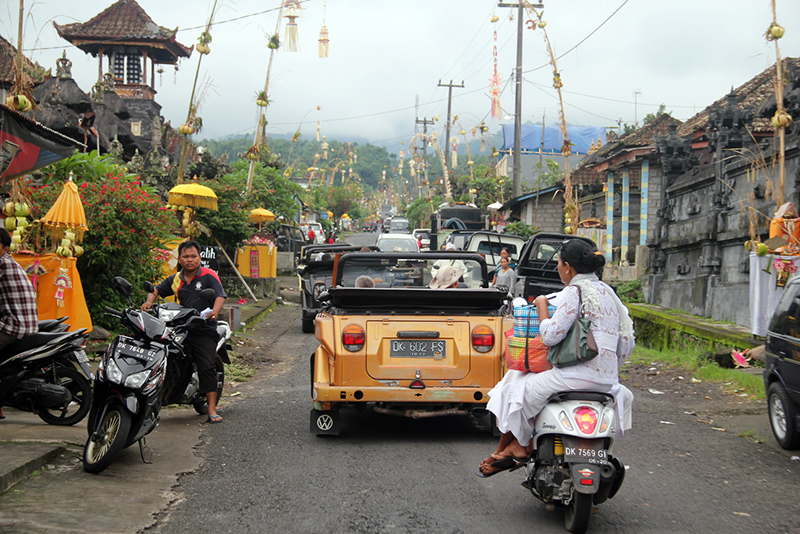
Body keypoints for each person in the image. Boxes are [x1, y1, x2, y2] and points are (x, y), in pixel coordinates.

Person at [478, 239, 635, 476]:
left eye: (559, 264)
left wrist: (541, 306)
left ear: (568, 267)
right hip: (608, 383)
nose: (558, 269)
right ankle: (518, 445)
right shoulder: (611, 294)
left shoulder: (574, 291)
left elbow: (551, 336)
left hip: (572, 379)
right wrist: (608, 368)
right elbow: (626, 343)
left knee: (514, 386)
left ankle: (520, 445)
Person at [141, 241, 227, 423]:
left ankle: (212, 409)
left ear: (199, 258)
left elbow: (220, 295)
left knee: (206, 366)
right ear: (179, 259)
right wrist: (149, 302)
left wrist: (215, 312)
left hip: (203, 329)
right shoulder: (175, 279)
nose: (190, 260)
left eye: (193, 256)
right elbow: (156, 290)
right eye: (186, 257)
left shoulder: (208, 276)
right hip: (180, 328)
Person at [0, 228, 39, 419]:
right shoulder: (11, 263)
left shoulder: (2, 264)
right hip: (25, 324)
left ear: (5, 248)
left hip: (14, 325)